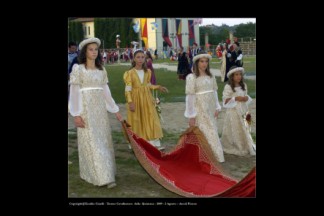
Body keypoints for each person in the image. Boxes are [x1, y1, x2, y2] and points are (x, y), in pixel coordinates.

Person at [69, 37, 123, 188]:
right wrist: (76, 114)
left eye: (95, 49)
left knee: (103, 141)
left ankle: (106, 172)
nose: (93, 52)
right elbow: (74, 93)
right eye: (90, 49)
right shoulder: (78, 69)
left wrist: (116, 111)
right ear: (85, 52)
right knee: (92, 142)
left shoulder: (102, 70)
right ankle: (102, 176)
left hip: (100, 112)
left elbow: (106, 93)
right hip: (86, 111)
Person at [123, 49, 168, 149]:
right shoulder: (129, 73)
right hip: (135, 99)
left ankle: (153, 142)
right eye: (138, 57)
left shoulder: (148, 71)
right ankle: (137, 143)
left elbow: (148, 85)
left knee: (150, 117)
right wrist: (130, 102)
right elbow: (128, 89)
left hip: (147, 98)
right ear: (134, 59)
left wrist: (158, 87)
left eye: (142, 57)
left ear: (145, 59)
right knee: (137, 119)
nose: (140, 59)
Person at [184, 51, 225, 163]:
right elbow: (190, 97)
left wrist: (217, 106)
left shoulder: (211, 75)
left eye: (206, 61)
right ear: (197, 63)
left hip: (210, 106)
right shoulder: (191, 77)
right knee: (204, 130)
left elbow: (214, 92)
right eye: (202, 61)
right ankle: (207, 156)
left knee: (212, 129)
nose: (204, 64)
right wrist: (191, 115)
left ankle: (213, 155)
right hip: (200, 107)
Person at [221, 66, 256, 156]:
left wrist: (245, 98)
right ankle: (237, 145)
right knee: (236, 128)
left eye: (240, 74)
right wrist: (235, 98)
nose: (239, 76)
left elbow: (246, 96)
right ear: (232, 76)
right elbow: (225, 101)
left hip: (244, 110)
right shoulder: (228, 87)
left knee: (246, 127)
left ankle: (247, 144)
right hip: (233, 112)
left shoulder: (244, 85)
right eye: (236, 75)